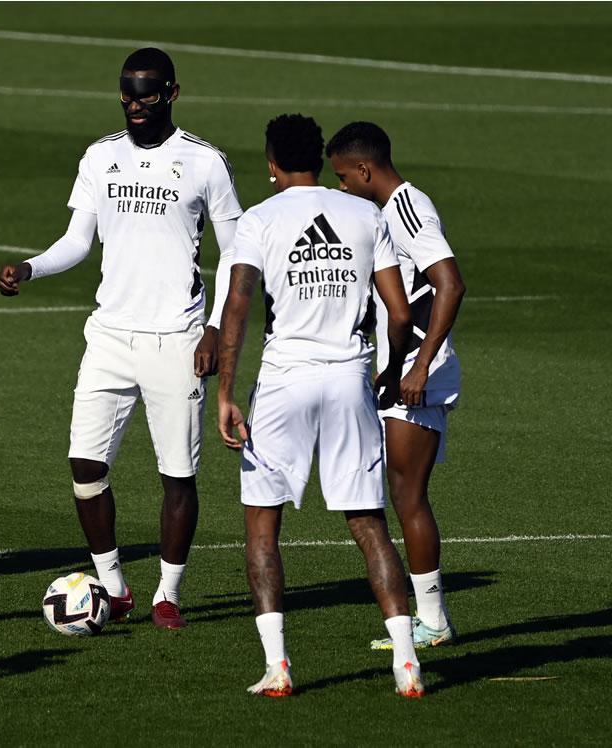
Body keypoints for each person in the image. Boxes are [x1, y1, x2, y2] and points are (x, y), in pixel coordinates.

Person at [0, 47, 243, 629]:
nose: (135, 104)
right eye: (127, 93)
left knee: (177, 476)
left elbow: (237, 252)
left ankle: (168, 594)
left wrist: (213, 331)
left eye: (147, 93)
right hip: (108, 335)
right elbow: (78, 241)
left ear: (173, 94)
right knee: (84, 466)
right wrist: (31, 267)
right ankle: (113, 585)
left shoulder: (205, 163)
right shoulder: (99, 157)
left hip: (176, 339)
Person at [216, 114, 425, 698]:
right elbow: (401, 313)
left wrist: (227, 393)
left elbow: (236, 306)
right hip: (349, 379)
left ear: (272, 164)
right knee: (368, 525)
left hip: (284, 381)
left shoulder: (258, 220)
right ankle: (407, 663)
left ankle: (277, 667)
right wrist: (387, 371)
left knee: (263, 527)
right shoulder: (367, 214)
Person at [326, 121, 465, 649]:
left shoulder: (407, 209)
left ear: (365, 170)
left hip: (419, 377)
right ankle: (429, 617)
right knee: (397, 492)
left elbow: (450, 282)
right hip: (401, 371)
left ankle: (433, 621)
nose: (341, 186)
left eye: (343, 176)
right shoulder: (388, 211)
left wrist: (420, 366)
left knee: (409, 496)